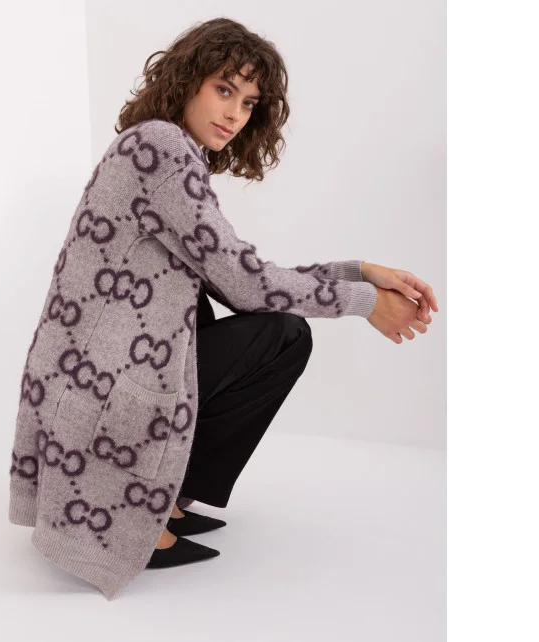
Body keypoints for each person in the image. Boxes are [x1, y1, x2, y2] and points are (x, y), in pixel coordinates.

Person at [112, 17, 438, 567]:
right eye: (223, 89)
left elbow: (236, 278)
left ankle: (165, 497)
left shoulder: (163, 150)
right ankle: (136, 512)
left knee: (275, 330)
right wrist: (363, 302)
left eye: (248, 102)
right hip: (114, 378)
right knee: (281, 335)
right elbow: (246, 285)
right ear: (186, 81)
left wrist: (357, 273)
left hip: (126, 366)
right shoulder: (161, 148)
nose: (235, 114)